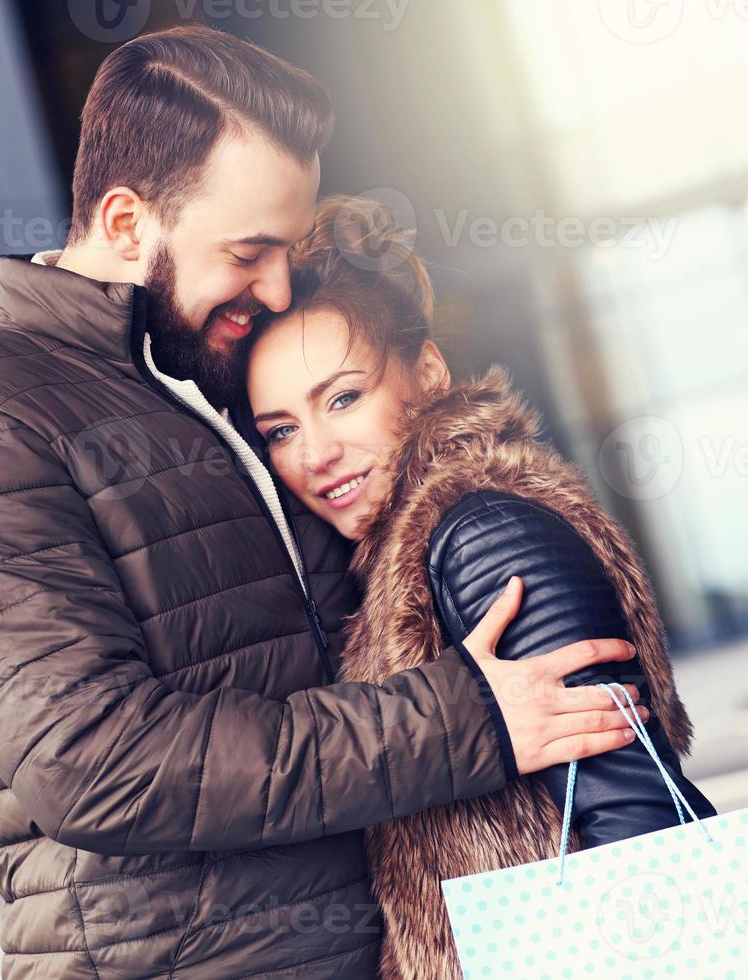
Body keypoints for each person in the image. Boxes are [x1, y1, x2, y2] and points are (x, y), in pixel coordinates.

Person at [0, 26, 648, 979]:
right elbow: (96, 764)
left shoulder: (221, 380)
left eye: (286, 247)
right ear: (125, 224)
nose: (277, 285)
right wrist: (462, 721)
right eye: (249, 250)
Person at [242, 196, 717, 978]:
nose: (316, 453)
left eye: (342, 398)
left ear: (426, 372)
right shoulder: (407, 552)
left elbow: (633, 805)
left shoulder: (480, 533)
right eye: (282, 430)